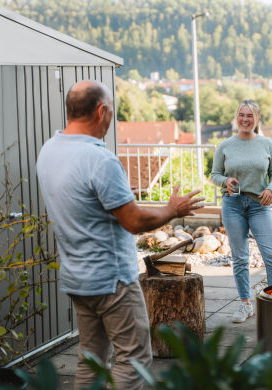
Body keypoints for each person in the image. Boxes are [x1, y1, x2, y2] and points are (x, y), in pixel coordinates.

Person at [36, 80, 204, 389]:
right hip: (112, 281)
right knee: (133, 359)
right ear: (101, 111)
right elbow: (133, 220)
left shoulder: (49, 151)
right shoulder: (100, 160)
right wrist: (172, 210)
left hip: (78, 278)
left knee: (91, 359)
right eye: (111, 111)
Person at [211, 99, 272, 323]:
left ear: (257, 119)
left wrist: (271, 189)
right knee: (240, 258)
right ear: (237, 117)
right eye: (242, 115)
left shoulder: (266, 144)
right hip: (232, 205)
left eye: (250, 115)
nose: (245, 119)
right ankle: (245, 304)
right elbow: (214, 175)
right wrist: (226, 180)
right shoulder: (225, 146)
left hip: (259, 206)